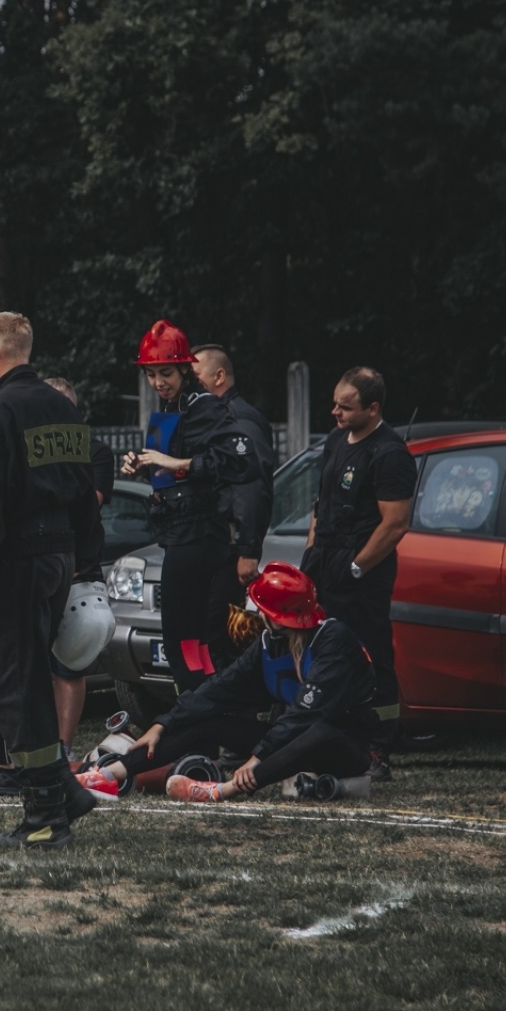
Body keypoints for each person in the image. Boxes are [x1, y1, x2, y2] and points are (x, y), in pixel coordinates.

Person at [0, 312, 103, 848]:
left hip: (18, 563)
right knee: (15, 676)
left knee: (11, 684)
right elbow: (85, 497)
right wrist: (83, 562)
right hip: (59, 559)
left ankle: (45, 815)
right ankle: (62, 794)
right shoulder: (61, 408)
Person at [95, 563, 378, 803]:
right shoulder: (269, 644)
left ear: (279, 617)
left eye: (262, 608)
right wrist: (163, 724)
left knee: (317, 730)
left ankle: (221, 791)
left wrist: (258, 757)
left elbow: (307, 715)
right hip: (289, 744)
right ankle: (109, 774)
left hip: (344, 750)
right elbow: (217, 690)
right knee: (207, 721)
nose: (256, 613)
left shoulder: (333, 639)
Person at [119, 320, 254, 694]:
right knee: (190, 639)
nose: (158, 382)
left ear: (184, 369)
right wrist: (143, 464)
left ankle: (199, 716)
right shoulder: (168, 409)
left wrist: (177, 463)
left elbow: (242, 460)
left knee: (185, 637)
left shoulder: (204, 406)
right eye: (151, 375)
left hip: (200, 535)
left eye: (165, 373)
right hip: (178, 532)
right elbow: (167, 472)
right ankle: (202, 716)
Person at [301, 367, 416, 780]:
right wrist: (311, 556)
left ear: (373, 409)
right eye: (334, 404)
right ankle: (331, 736)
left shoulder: (389, 453)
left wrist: (356, 567)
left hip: (361, 573)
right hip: (324, 562)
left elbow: (395, 523)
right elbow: (321, 505)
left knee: (370, 658)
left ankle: (378, 748)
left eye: (345, 407)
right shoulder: (335, 441)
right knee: (324, 654)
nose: (335, 413)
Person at [43, 376, 118, 756]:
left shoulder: (97, 451)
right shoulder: (28, 447)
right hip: (38, 564)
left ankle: (64, 745)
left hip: (80, 564)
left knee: (72, 658)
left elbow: (90, 501)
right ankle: (36, 742)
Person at [192, 345, 277, 671]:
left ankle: (234, 717)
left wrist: (247, 550)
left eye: (196, 377)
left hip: (228, 550)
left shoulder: (239, 419)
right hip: (210, 543)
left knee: (223, 637)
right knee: (206, 635)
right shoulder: (208, 417)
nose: (191, 384)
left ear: (219, 376)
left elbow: (251, 487)